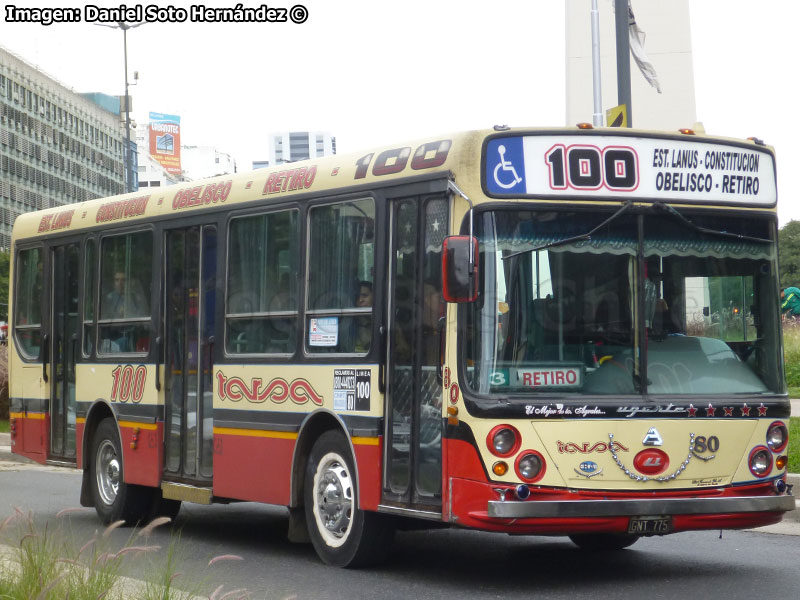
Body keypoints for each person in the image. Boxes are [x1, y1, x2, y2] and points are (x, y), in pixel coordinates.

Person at [354, 281, 373, 352]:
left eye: (364, 295)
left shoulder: (388, 321)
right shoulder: (352, 322)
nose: (360, 300)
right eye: (356, 297)